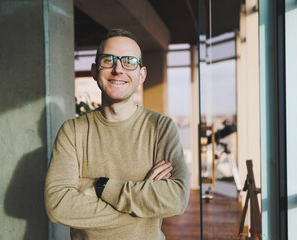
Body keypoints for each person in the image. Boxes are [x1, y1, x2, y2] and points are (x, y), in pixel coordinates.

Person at [45, 29, 190, 240]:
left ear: (141, 75)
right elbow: (58, 206)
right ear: (95, 71)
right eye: (108, 60)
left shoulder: (160, 127)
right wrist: (143, 206)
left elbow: (176, 199)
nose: (118, 69)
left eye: (129, 61)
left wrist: (100, 186)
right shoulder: (72, 131)